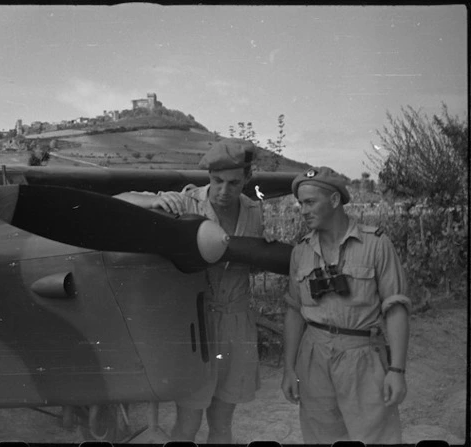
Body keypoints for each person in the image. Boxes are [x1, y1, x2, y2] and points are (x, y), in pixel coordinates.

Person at [115, 141, 266, 443]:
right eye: (217, 181)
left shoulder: (254, 211)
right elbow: (118, 201)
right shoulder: (187, 202)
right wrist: (155, 202)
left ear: (247, 179)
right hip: (196, 326)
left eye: (234, 183)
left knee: (223, 423)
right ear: (209, 176)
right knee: (188, 423)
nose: (223, 191)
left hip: (236, 323)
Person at [281, 166, 410, 444]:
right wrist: (289, 369)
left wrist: (397, 371)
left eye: (310, 202)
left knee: (376, 437)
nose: (303, 210)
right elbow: (294, 311)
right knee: (320, 438)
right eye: (300, 203)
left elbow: (396, 308)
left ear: (335, 201)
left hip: (362, 357)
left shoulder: (376, 244)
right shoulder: (300, 252)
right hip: (313, 357)